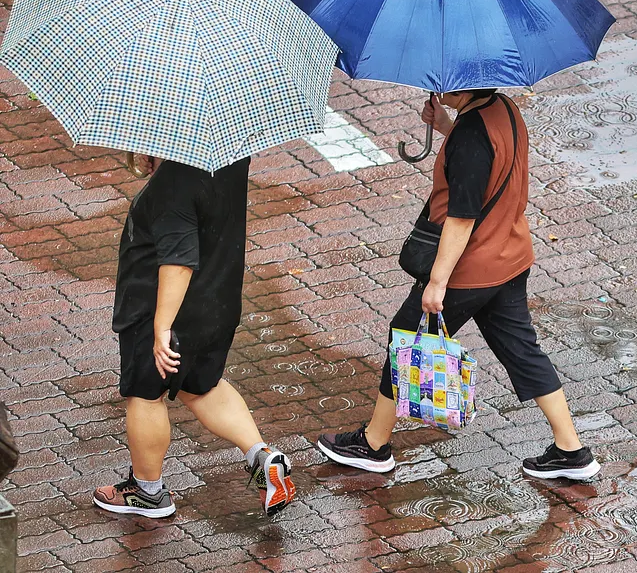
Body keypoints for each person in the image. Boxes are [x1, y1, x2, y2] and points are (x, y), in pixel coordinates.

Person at [315, 90, 601, 480]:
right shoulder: (502, 108)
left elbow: (461, 217)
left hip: (471, 268)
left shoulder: (470, 136)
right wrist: (447, 126)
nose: (436, 86)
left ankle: (374, 444)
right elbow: (489, 163)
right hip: (510, 255)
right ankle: (571, 449)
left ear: (466, 85)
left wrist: (437, 282)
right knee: (521, 349)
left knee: (405, 334)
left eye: (446, 80)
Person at [92, 153, 296, 518]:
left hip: (164, 310)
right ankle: (263, 458)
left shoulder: (174, 185)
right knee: (202, 386)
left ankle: (147, 492)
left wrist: (161, 328)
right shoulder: (231, 157)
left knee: (145, 394)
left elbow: (178, 261)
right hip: (217, 304)